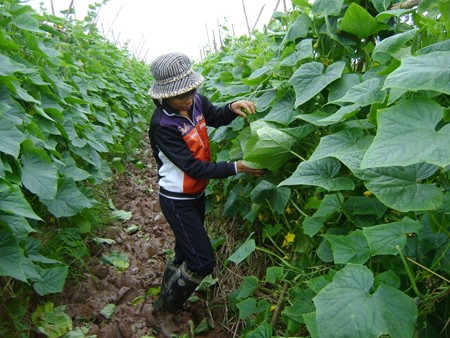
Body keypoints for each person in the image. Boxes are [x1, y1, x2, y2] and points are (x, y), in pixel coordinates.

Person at [148, 52, 265, 317]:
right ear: (163, 96)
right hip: (177, 199)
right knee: (202, 261)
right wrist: (238, 167)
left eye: (191, 91)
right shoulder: (163, 124)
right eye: (181, 96)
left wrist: (232, 107)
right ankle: (163, 312)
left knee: (183, 250)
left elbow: (215, 115)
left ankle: (167, 290)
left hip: (196, 194)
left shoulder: (196, 102)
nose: (188, 99)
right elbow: (192, 167)